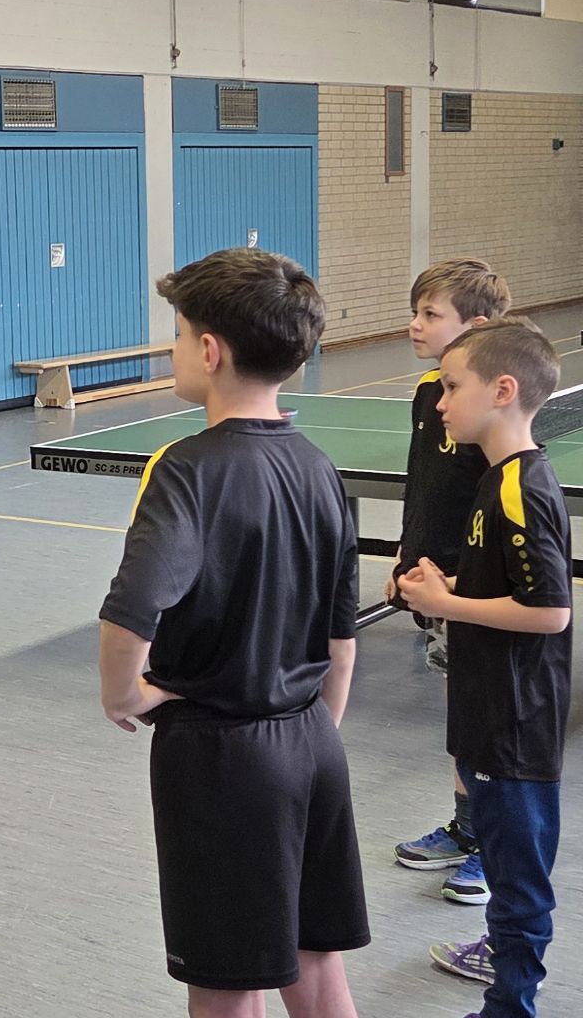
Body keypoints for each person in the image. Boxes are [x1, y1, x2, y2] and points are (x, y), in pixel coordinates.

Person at [100, 249, 365, 1017]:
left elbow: (132, 609)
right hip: (314, 745)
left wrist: (125, 695)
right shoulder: (319, 466)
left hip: (224, 762)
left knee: (225, 988)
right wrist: (309, 734)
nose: (176, 347)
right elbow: (341, 638)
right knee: (317, 969)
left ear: (210, 351)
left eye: (181, 334)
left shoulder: (185, 469)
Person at [401, 318, 571, 1018]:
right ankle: (503, 972)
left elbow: (549, 610)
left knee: (518, 882)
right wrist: (446, 586)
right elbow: (502, 584)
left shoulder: (519, 488)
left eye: (452, 387)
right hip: (486, 710)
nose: (440, 403)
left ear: (502, 391)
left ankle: (511, 1003)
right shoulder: (494, 479)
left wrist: (448, 604)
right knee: (503, 866)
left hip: (515, 722)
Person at [387, 259, 512, 904]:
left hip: (474, 592)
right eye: (416, 311)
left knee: (488, 723)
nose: (415, 324)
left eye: (430, 314)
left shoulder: (489, 412)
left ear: (477, 327)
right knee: (464, 717)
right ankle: (468, 828)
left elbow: (494, 503)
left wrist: (466, 578)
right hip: (436, 584)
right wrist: (407, 555)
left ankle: (495, 848)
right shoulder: (427, 394)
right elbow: (425, 485)